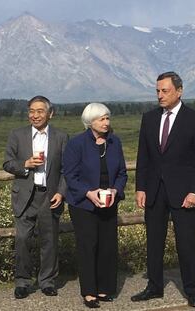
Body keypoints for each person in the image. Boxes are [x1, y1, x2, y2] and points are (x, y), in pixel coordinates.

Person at [131, 72, 195, 308]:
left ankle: (192, 290)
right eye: (157, 91)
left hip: (184, 193)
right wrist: (140, 187)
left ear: (179, 91)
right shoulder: (149, 118)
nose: (160, 95)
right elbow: (143, 156)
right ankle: (154, 286)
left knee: (185, 243)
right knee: (154, 242)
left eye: (165, 91)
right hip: (154, 191)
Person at [3, 95, 68, 299]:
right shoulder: (17, 135)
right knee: (22, 240)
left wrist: (61, 192)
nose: (35, 115)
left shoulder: (61, 137)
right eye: (31, 111)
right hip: (24, 197)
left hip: (49, 196)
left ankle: (47, 281)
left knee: (49, 241)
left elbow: (67, 169)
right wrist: (25, 164)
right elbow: (7, 163)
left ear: (51, 113)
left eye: (40, 111)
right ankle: (22, 282)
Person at [63, 103, 128, 308]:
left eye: (108, 118)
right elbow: (70, 176)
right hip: (84, 205)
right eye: (102, 119)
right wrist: (89, 193)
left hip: (109, 202)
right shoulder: (76, 144)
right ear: (90, 121)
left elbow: (122, 173)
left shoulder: (115, 142)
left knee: (108, 246)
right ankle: (89, 292)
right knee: (88, 246)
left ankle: (105, 289)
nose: (106, 123)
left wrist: (116, 191)